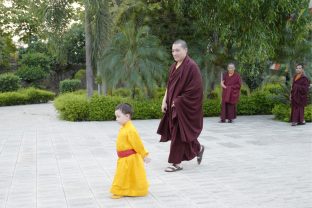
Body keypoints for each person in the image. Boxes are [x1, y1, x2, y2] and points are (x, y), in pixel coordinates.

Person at [157, 39, 205, 172]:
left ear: (185, 50)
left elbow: (196, 90)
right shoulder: (174, 66)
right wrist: (164, 100)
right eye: (173, 50)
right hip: (173, 106)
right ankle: (198, 148)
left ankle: (176, 163)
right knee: (178, 133)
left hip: (182, 107)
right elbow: (169, 85)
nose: (174, 53)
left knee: (178, 133)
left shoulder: (191, 66)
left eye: (177, 50)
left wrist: (178, 101)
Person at [110, 103, 151, 199]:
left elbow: (138, 144)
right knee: (124, 175)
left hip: (130, 158)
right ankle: (123, 190)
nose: (116, 119)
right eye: (116, 117)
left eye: (118, 116)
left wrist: (144, 155)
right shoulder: (124, 127)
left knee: (125, 175)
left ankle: (121, 190)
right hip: (123, 158)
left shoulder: (131, 129)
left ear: (127, 116)